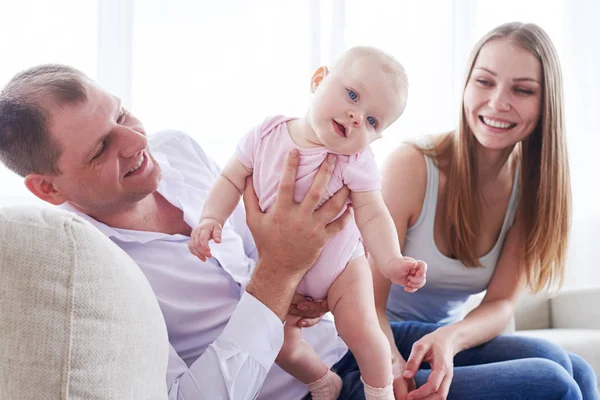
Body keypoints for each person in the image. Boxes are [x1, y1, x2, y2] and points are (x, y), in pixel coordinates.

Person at [0, 61, 592, 400]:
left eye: (123, 114)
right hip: (312, 385)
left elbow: (269, 230)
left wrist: (308, 279)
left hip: (343, 330)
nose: (136, 141)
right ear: (48, 188)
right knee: (548, 383)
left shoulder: (177, 151)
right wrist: (279, 274)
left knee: (571, 365)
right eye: (103, 146)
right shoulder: (92, 269)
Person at [373, 22, 600, 400]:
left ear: (546, 103)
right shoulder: (411, 166)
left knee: (577, 368)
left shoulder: (530, 191)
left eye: (523, 90)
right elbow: (365, 305)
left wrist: (450, 338)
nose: (497, 102)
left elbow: (500, 303)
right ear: (466, 84)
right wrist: (394, 368)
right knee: (554, 380)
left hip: (438, 343)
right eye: (484, 82)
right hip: (371, 342)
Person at [189, 46, 426, 400]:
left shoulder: (356, 161)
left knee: (361, 331)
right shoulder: (266, 135)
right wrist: (211, 217)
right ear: (319, 80)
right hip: (283, 274)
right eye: (352, 94)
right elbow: (230, 178)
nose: (357, 116)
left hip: (343, 269)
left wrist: (391, 262)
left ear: (377, 137)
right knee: (279, 346)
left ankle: (379, 394)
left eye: (373, 121)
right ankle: (322, 381)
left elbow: (374, 214)